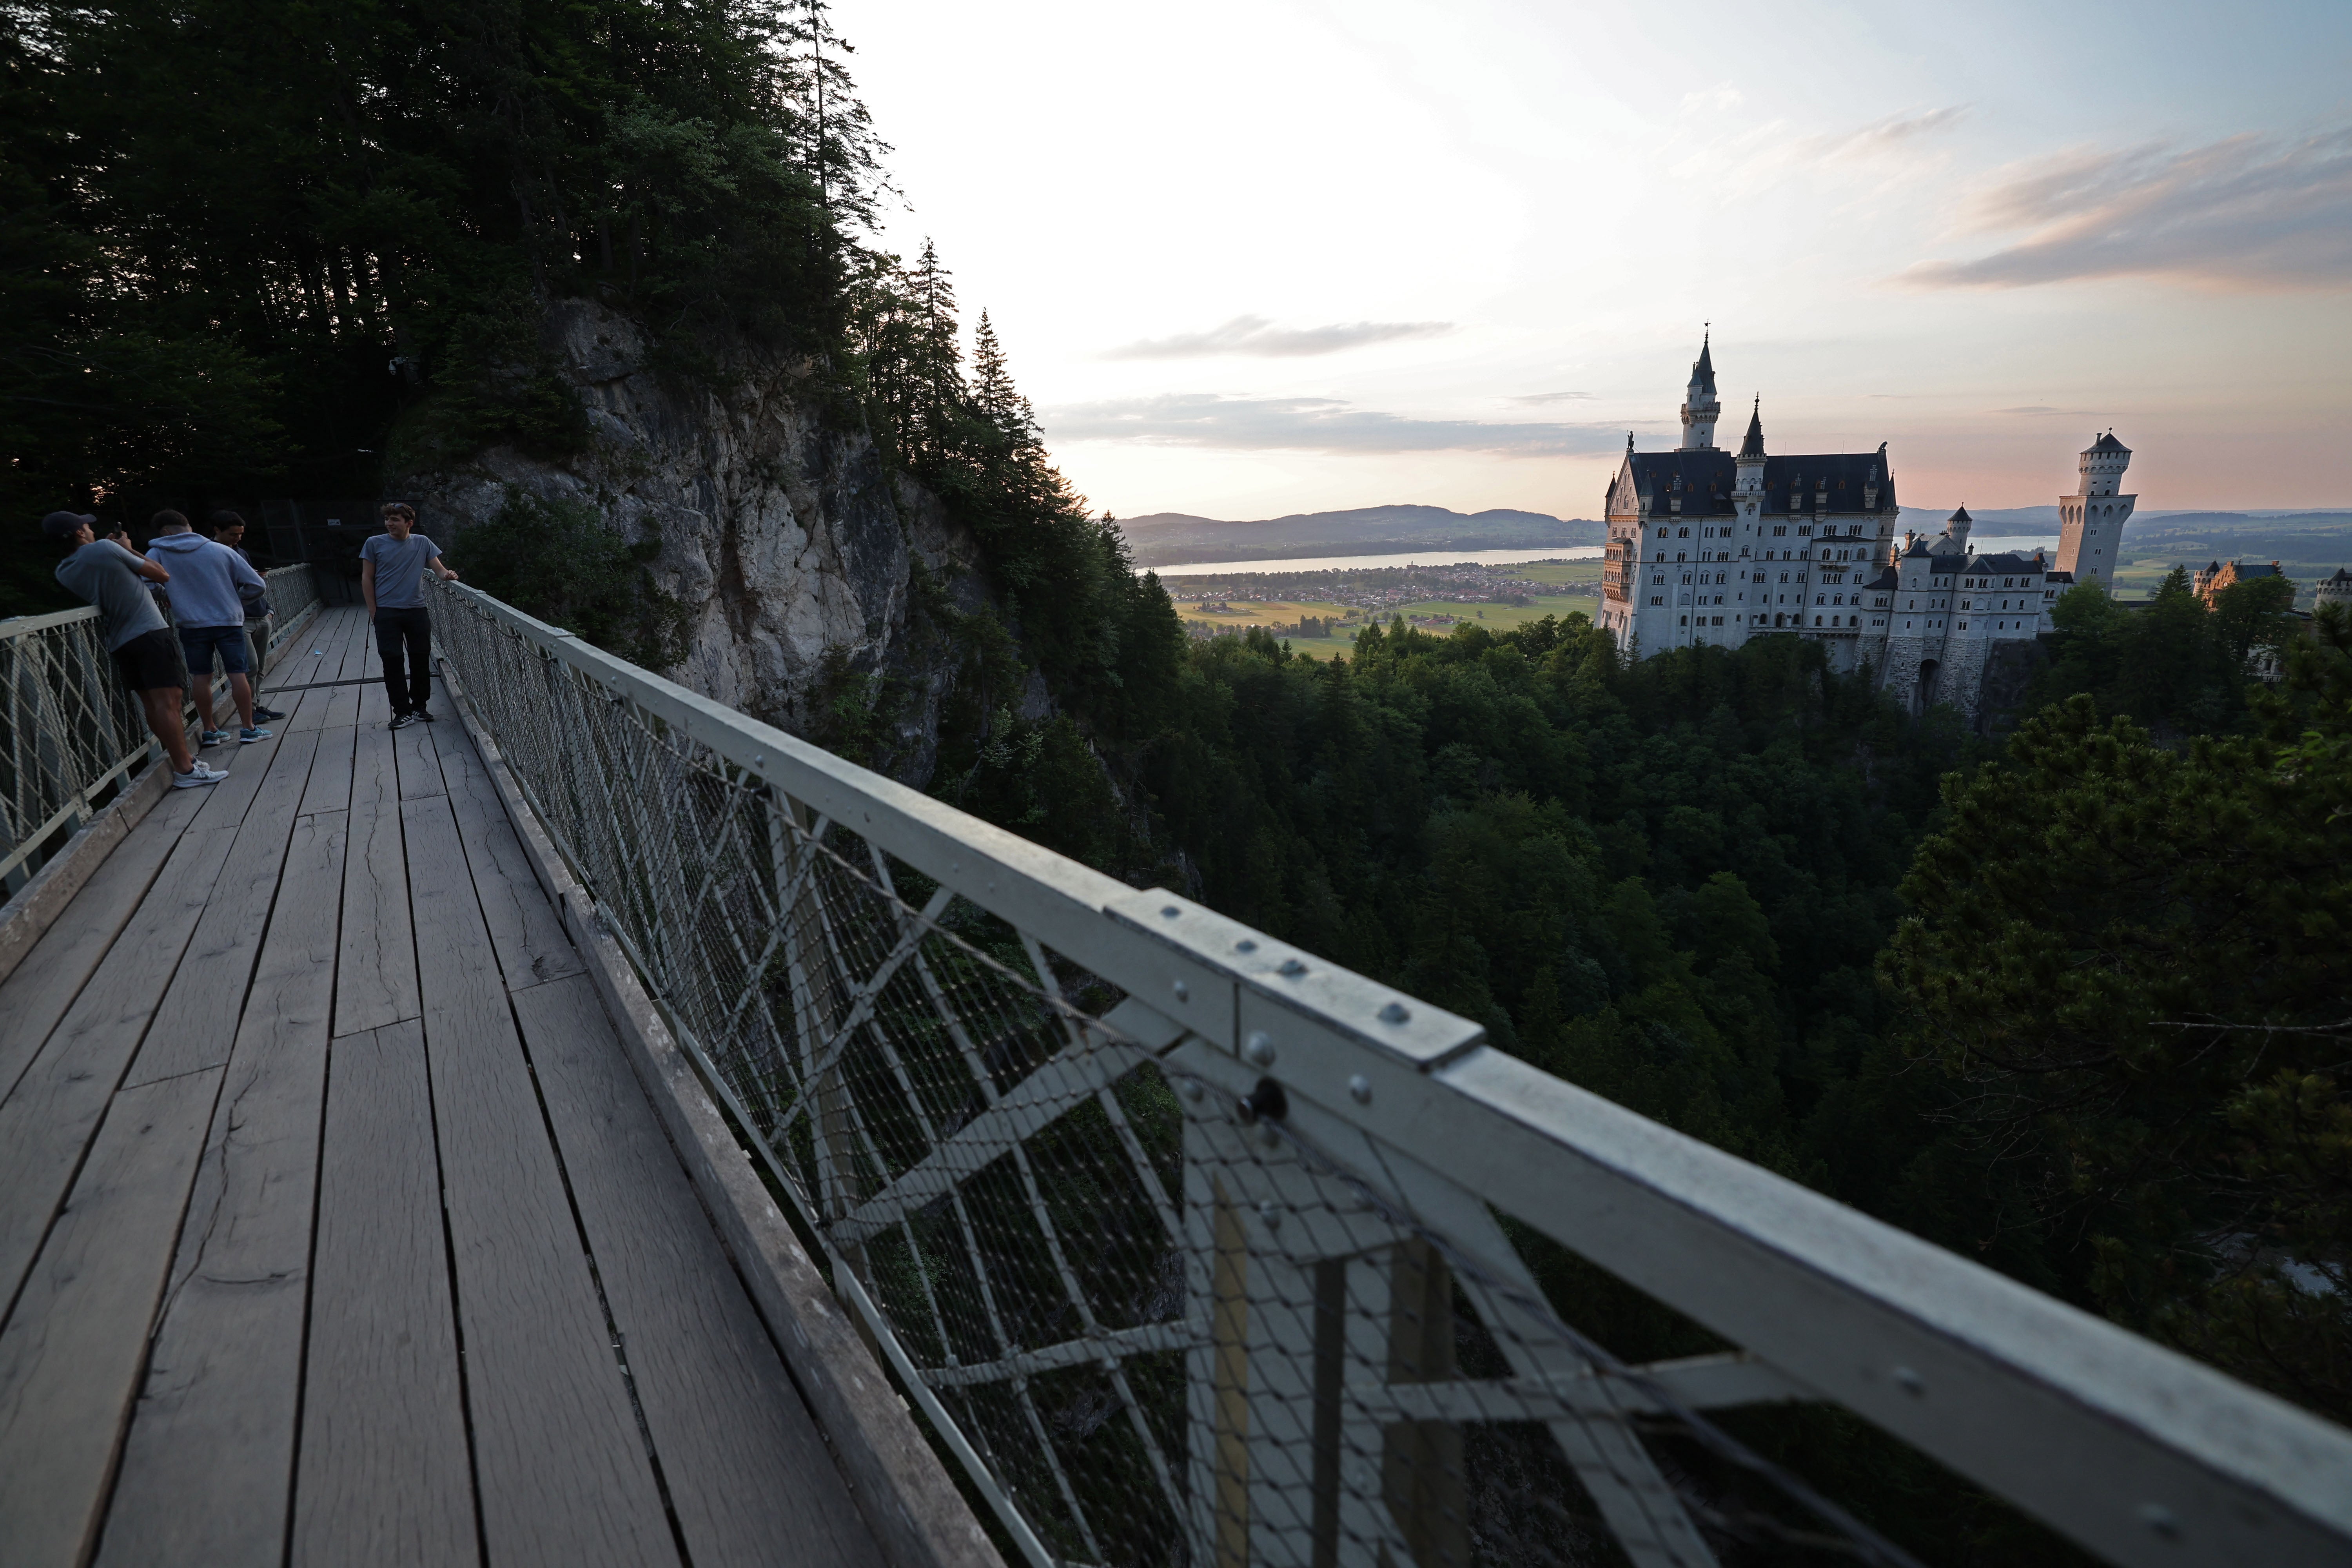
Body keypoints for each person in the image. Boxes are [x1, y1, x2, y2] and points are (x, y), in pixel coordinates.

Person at [45, 511, 227, 789]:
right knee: (170, 704)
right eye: (87, 527)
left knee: (153, 705)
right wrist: (127, 550)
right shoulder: (106, 549)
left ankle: (183, 760)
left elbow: (106, 574)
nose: (92, 530)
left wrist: (116, 553)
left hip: (120, 641)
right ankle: (186, 770)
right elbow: (161, 575)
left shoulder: (63, 571)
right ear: (80, 534)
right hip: (149, 633)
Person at [145, 510, 272, 746]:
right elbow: (257, 585)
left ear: (165, 532)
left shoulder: (157, 553)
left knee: (201, 677)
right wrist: (236, 600)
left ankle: (211, 730)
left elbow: (147, 584)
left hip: (191, 624)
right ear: (188, 526)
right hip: (228, 621)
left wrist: (168, 595)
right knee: (238, 674)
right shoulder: (221, 550)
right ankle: (248, 728)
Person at [359, 502, 459, 730]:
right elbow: (367, 578)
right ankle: (402, 712)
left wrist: (448, 575)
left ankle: (419, 707)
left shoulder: (422, 543)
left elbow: (439, 569)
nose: (389, 524)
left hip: (416, 610)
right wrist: (374, 611)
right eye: (387, 520)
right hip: (387, 612)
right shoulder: (374, 544)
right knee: (392, 661)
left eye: (395, 520)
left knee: (420, 659)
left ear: (409, 523)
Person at [208, 510, 285, 721]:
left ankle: (256, 706)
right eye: (233, 534)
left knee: (259, 667)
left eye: (240, 534)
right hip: (238, 620)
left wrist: (268, 610)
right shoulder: (210, 554)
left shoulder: (240, 552)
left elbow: (251, 582)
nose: (238, 538)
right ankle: (248, 713)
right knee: (249, 667)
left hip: (260, 616)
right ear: (217, 531)